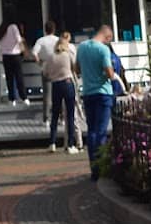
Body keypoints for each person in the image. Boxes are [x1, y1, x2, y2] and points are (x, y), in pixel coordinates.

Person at [76, 25, 115, 181]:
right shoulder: (103, 49)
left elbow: (76, 69)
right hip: (103, 92)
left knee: (92, 131)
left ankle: (94, 168)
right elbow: (109, 72)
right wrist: (110, 73)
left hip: (88, 93)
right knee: (101, 132)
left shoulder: (82, 47)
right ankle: (102, 166)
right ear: (107, 37)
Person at [41, 31, 80, 154]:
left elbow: (45, 73)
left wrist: (53, 76)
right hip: (67, 83)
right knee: (70, 114)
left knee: (55, 114)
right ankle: (70, 145)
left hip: (56, 84)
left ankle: (52, 143)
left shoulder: (51, 57)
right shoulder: (68, 55)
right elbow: (75, 68)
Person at [0, 19, 27, 107]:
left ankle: (12, 99)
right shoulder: (13, 27)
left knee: (9, 78)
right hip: (15, 55)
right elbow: (19, 40)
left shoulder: (1, 29)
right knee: (19, 76)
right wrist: (24, 51)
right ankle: (23, 97)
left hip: (5, 56)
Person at [32, 20, 58, 123]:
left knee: (47, 95)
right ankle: (61, 117)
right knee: (59, 94)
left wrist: (39, 62)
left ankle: (46, 118)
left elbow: (34, 53)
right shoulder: (58, 40)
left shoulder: (41, 41)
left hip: (46, 68)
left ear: (45, 30)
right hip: (58, 68)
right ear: (54, 29)